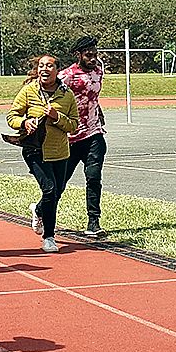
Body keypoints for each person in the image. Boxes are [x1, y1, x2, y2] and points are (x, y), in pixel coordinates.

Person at [6, 54, 78, 253]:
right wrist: (24, 122)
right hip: (35, 151)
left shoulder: (67, 94)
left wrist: (56, 117)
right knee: (49, 190)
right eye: (41, 66)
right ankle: (49, 236)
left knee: (57, 192)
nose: (44, 69)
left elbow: (74, 125)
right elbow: (12, 116)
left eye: (49, 66)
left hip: (60, 152)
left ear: (57, 71)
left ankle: (38, 210)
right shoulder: (29, 91)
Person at [57, 36, 107, 237]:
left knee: (93, 177)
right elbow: (50, 94)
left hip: (94, 133)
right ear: (78, 55)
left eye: (95, 54)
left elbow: (93, 97)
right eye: (88, 55)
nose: (93, 58)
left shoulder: (98, 72)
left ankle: (93, 222)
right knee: (60, 183)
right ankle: (42, 210)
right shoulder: (67, 76)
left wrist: (99, 111)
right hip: (70, 137)